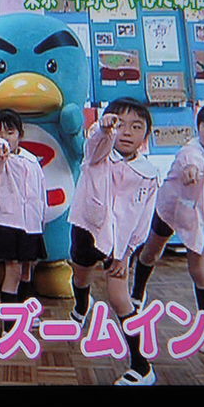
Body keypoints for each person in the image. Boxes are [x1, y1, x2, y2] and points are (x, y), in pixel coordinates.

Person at [131, 100, 204, 355]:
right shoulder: (191, 151)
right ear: (198, 128)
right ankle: (137, 294)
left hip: (199, 220)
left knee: (199, 269)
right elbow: (189, 161)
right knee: (151, 252)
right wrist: (191, 170)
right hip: (171, 208)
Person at [67, 97, 158, 385]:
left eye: (136, 126)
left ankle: (142, 366)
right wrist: (104, 129)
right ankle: (81, 306)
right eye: (120, 124)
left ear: (146, 135)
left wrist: (127, 253)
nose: (127, 132)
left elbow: (143, 219)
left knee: (120, 298)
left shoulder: (149, 174)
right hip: (87, 228)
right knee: (81, 277)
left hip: (120, 243)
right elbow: (95, 143)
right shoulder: (98, 154)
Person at [0, 109, 47, 335]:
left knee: (27, 270)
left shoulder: (31, 160)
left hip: (31, 223)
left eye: (9, 132)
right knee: (12, 271)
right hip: (8, 223)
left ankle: (26, 313)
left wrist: (41, 219)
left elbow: (41, 193)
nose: (4, 137)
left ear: (20, 134)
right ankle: (8, 326)